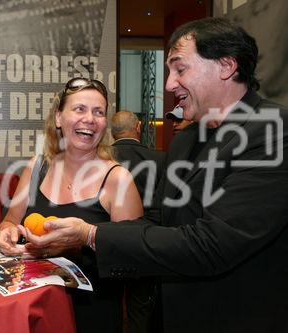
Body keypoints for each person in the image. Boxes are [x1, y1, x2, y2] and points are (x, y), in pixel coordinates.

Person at [22, 17, 288, 333]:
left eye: (180, 69)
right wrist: (87, 232)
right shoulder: (188, 139)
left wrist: (92, 235)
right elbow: (160, 220)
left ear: (226, 66)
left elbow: (214, 244)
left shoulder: (272, 131)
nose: (169, 84)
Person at [0, 77, 143, 332]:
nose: (90, 118)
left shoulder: (117, 180)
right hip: (35, 310)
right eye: (80, 109)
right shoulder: (36, 167)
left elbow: (132, 261)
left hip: (90, 314)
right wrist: (6, 232)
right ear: (58, 118)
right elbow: (11, 220)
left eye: (98, 112)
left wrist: (79, 244)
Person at [111, 110, 166, 333]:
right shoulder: (160, 159)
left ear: (112, 133)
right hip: (146, 240)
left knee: (107, 306)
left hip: (107, 239)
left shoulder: (101, 159)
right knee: (140, 307)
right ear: (139, 127)